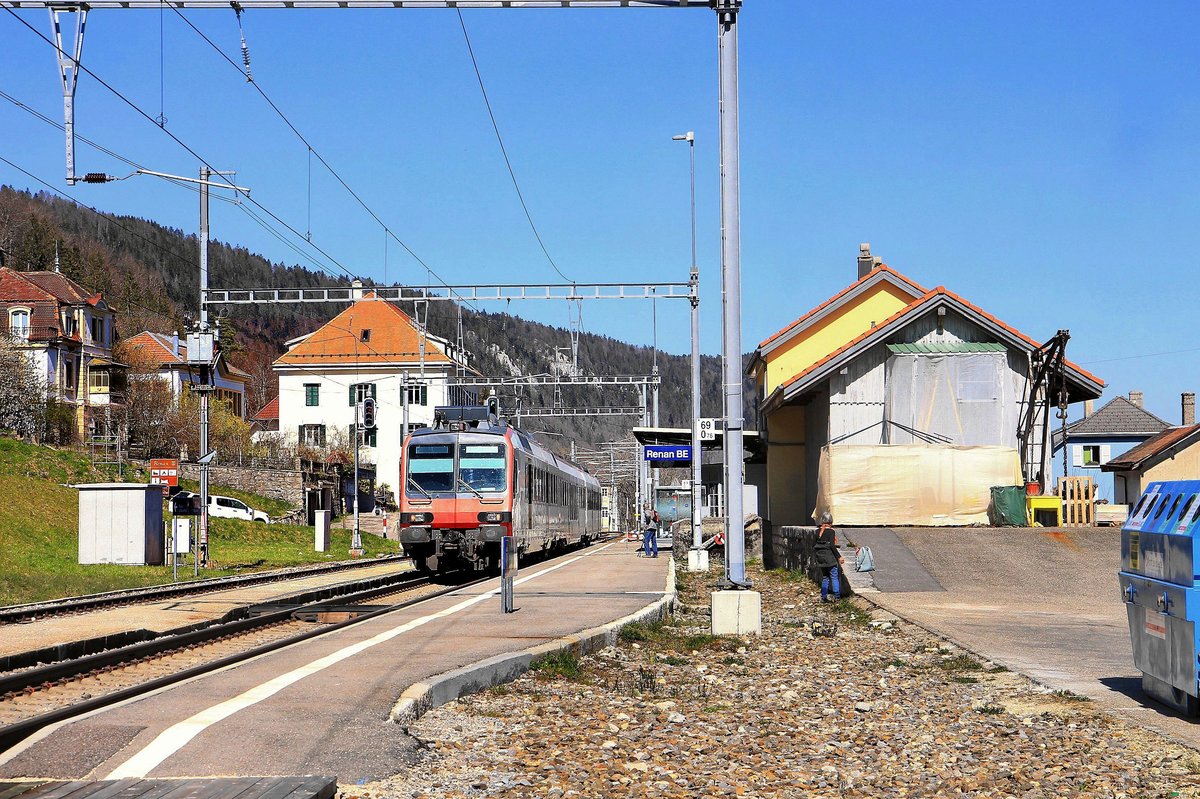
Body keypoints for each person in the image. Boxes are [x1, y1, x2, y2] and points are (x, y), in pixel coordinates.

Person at [813, 511, 845, 602]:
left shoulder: (817, 532)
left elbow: (813, 545)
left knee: (825, 577)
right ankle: (837, 596)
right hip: (829, 557)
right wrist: (839, 557)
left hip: (820, 558)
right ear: (831, 521)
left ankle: (823, 597)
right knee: (834, 576)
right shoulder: (831, 532)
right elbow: (832, 545)